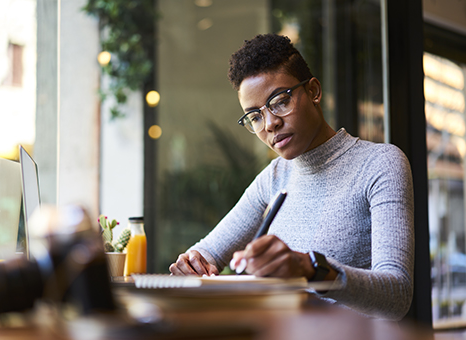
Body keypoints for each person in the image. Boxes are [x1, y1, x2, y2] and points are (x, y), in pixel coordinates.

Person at [168, 33, 414, 321]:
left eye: (280, 101)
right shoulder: (273, 178)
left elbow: (398, 294)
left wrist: (310, 268)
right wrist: (193, 262)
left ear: (313, 91)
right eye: (255, 117)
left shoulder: (379, 164)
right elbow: (208, 252)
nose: (270, 124)